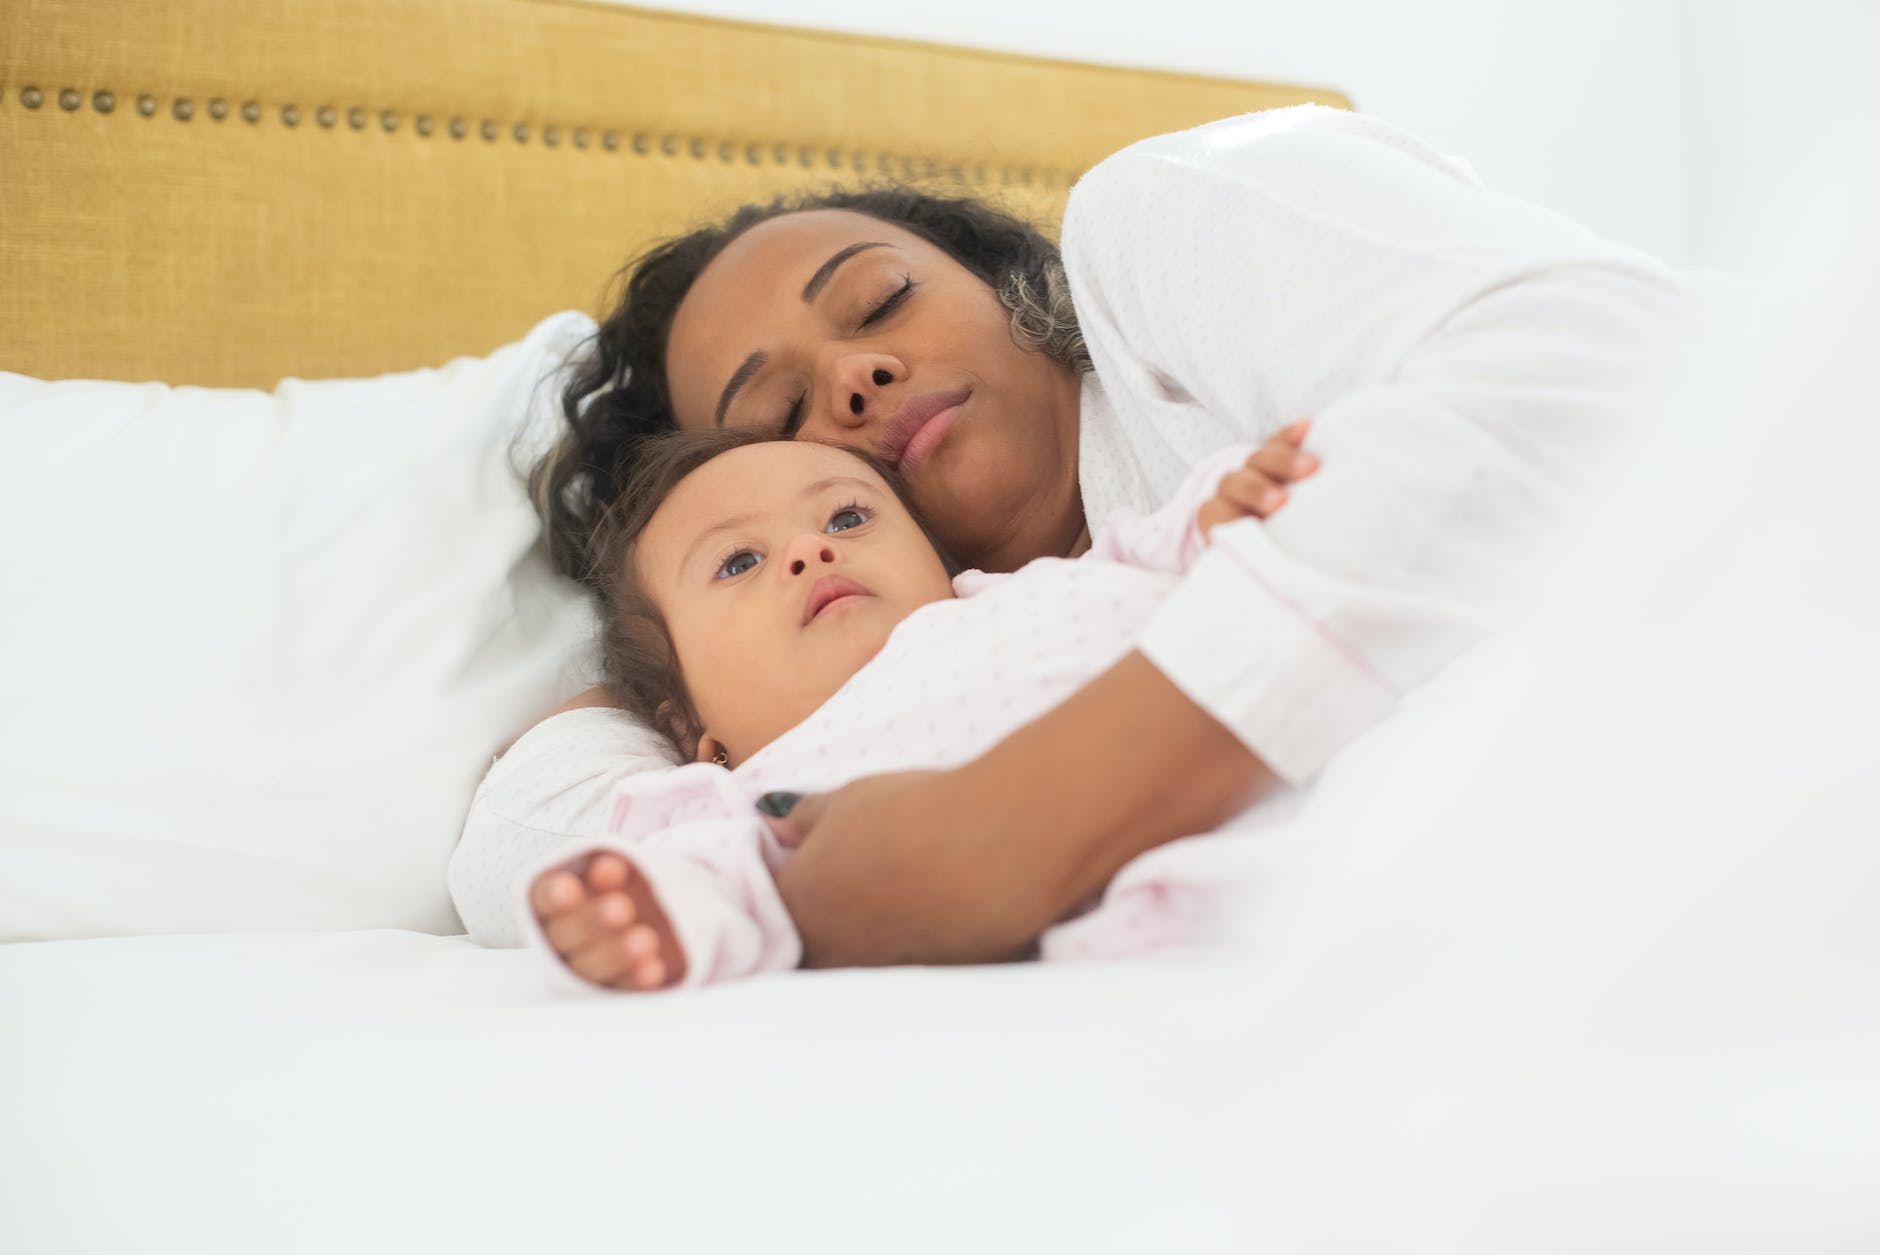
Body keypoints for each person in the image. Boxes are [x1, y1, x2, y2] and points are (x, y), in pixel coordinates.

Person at [449, 104, 1712, 967]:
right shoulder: (873, 691)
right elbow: (538, 857)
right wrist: (670, 671)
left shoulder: (1146, 248)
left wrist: (1021, 825)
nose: (858, 375)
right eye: (781, 415)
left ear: (1004, 284)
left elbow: (1612, 361)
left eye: (883, 297)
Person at [514, 424, 1312, 991]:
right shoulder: (762, 792)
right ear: (697, 732)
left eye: (848, 516)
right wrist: (645, 915)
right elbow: (690, 879)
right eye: (740, 560)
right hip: (1164, 924)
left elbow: (1169, 543)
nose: (810, 550)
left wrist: (1223, 502)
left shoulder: (1032, 588)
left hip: (1288, 769)